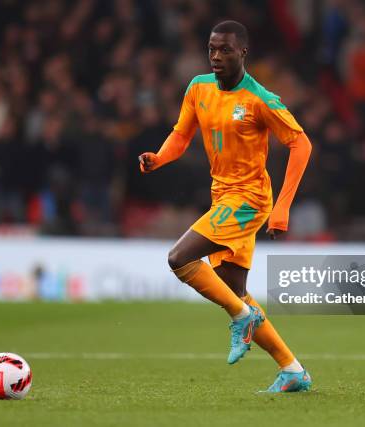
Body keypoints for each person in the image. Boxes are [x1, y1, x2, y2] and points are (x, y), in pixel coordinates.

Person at [139, 21, 313, 393]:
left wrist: (282, 207)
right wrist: (160, 157)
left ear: (243, 53)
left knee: (179, 258)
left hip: (249, 198)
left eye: (225, 50)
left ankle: (242, 318)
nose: (217, 56)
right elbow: (182, 134)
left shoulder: (259, 99)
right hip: (223, 196)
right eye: (212, 49)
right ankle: (292, 370)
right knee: (234, 288)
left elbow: (302, 145)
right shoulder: (198, 88)